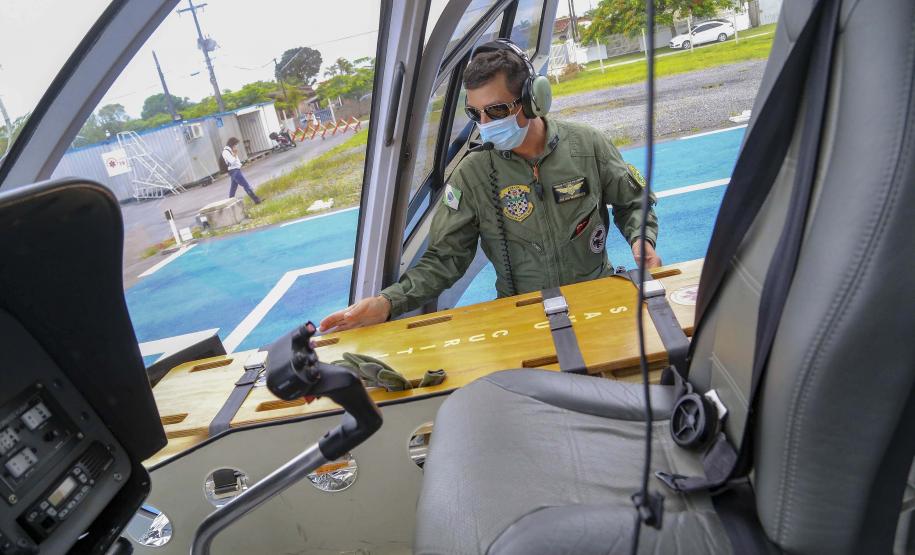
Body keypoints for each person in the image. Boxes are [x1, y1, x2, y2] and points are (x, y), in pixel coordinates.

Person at [320, 39, 659, 333]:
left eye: (496, 110)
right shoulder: (474, 174)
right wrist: (386, 302)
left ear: (532, 100)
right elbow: (444, 259)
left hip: (597, 299)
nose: (485, 125)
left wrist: (641, 237)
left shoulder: (587, 146)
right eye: (475, 114)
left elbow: (633, 201)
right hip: (524, 315)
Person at [222, 137, 262, 204]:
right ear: (232, 144)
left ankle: (229, 203)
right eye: (235, 144)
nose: (236, 146)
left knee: (233, 189)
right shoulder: (226, 152)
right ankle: (257, 200)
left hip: (235, 171)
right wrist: (235, 153)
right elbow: (232, 161)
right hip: (234, 171)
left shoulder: (230, 150)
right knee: (246, 185)